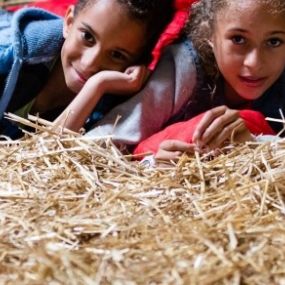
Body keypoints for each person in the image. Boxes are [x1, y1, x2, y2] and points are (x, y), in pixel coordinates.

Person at [131, 0, 285, 162]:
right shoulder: (184, 68)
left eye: (274, 42)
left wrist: (256, 143)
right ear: (209, 34)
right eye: (238, 39)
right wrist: (152, 163)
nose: (254, 63)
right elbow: (111, 144)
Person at [0, 0, 175, 138]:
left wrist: (97, 86)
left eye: (117, 55)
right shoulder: (8, 54)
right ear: (69, 22)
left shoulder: (115, 105)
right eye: (87, 36)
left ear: (135, 63)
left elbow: (45, 157)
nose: (89, 63)